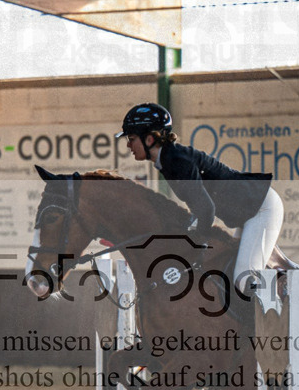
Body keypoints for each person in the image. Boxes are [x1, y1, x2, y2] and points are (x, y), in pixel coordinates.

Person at [116, 102, 284, 296]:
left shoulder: (176, 160)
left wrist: (195, 245)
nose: (128, 145)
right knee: (228, 272)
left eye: (132, 138)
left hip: (261, 208)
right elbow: (200, 210)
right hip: (249, 211)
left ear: (150, 139)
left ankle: (279, 311)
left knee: (244, 279)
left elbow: (206, 211)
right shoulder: (169, 160)